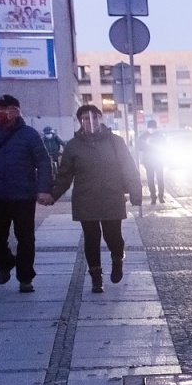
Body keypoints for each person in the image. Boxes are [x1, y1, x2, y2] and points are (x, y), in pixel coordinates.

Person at [51, 104, 142, 293]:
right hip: (86, 199)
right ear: (80, 122)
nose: (90, 122)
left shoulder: (115, 142)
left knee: (113, 237)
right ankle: (96, 277)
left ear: (101, 119)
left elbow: (129, 168)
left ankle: (117, 259)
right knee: (91, 239)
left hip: (112, 197)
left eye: (94, 118)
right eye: (85, 119)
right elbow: (65, 174)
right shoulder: (73, 145)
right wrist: (52, 195)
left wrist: (135, 192)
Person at [0, 95, 54, 293]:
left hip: (23, 196)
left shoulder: (29, 134)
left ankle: (25, 277)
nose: (0, 112)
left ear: (16, 111)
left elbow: (43, 162)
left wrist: (43, 189)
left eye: (5, 108)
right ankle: (6, 263)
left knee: (25, 238)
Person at [138, 119, 168, 203]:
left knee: (160, 179)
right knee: (150, 180)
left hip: (158, 160)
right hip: (149, 161)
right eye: (150, 127)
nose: (152, 129)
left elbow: (165, 146)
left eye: (153, 127)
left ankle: (161, 197)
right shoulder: (144, 136)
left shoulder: (160, 136)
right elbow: (139, 147)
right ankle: (153, 197)